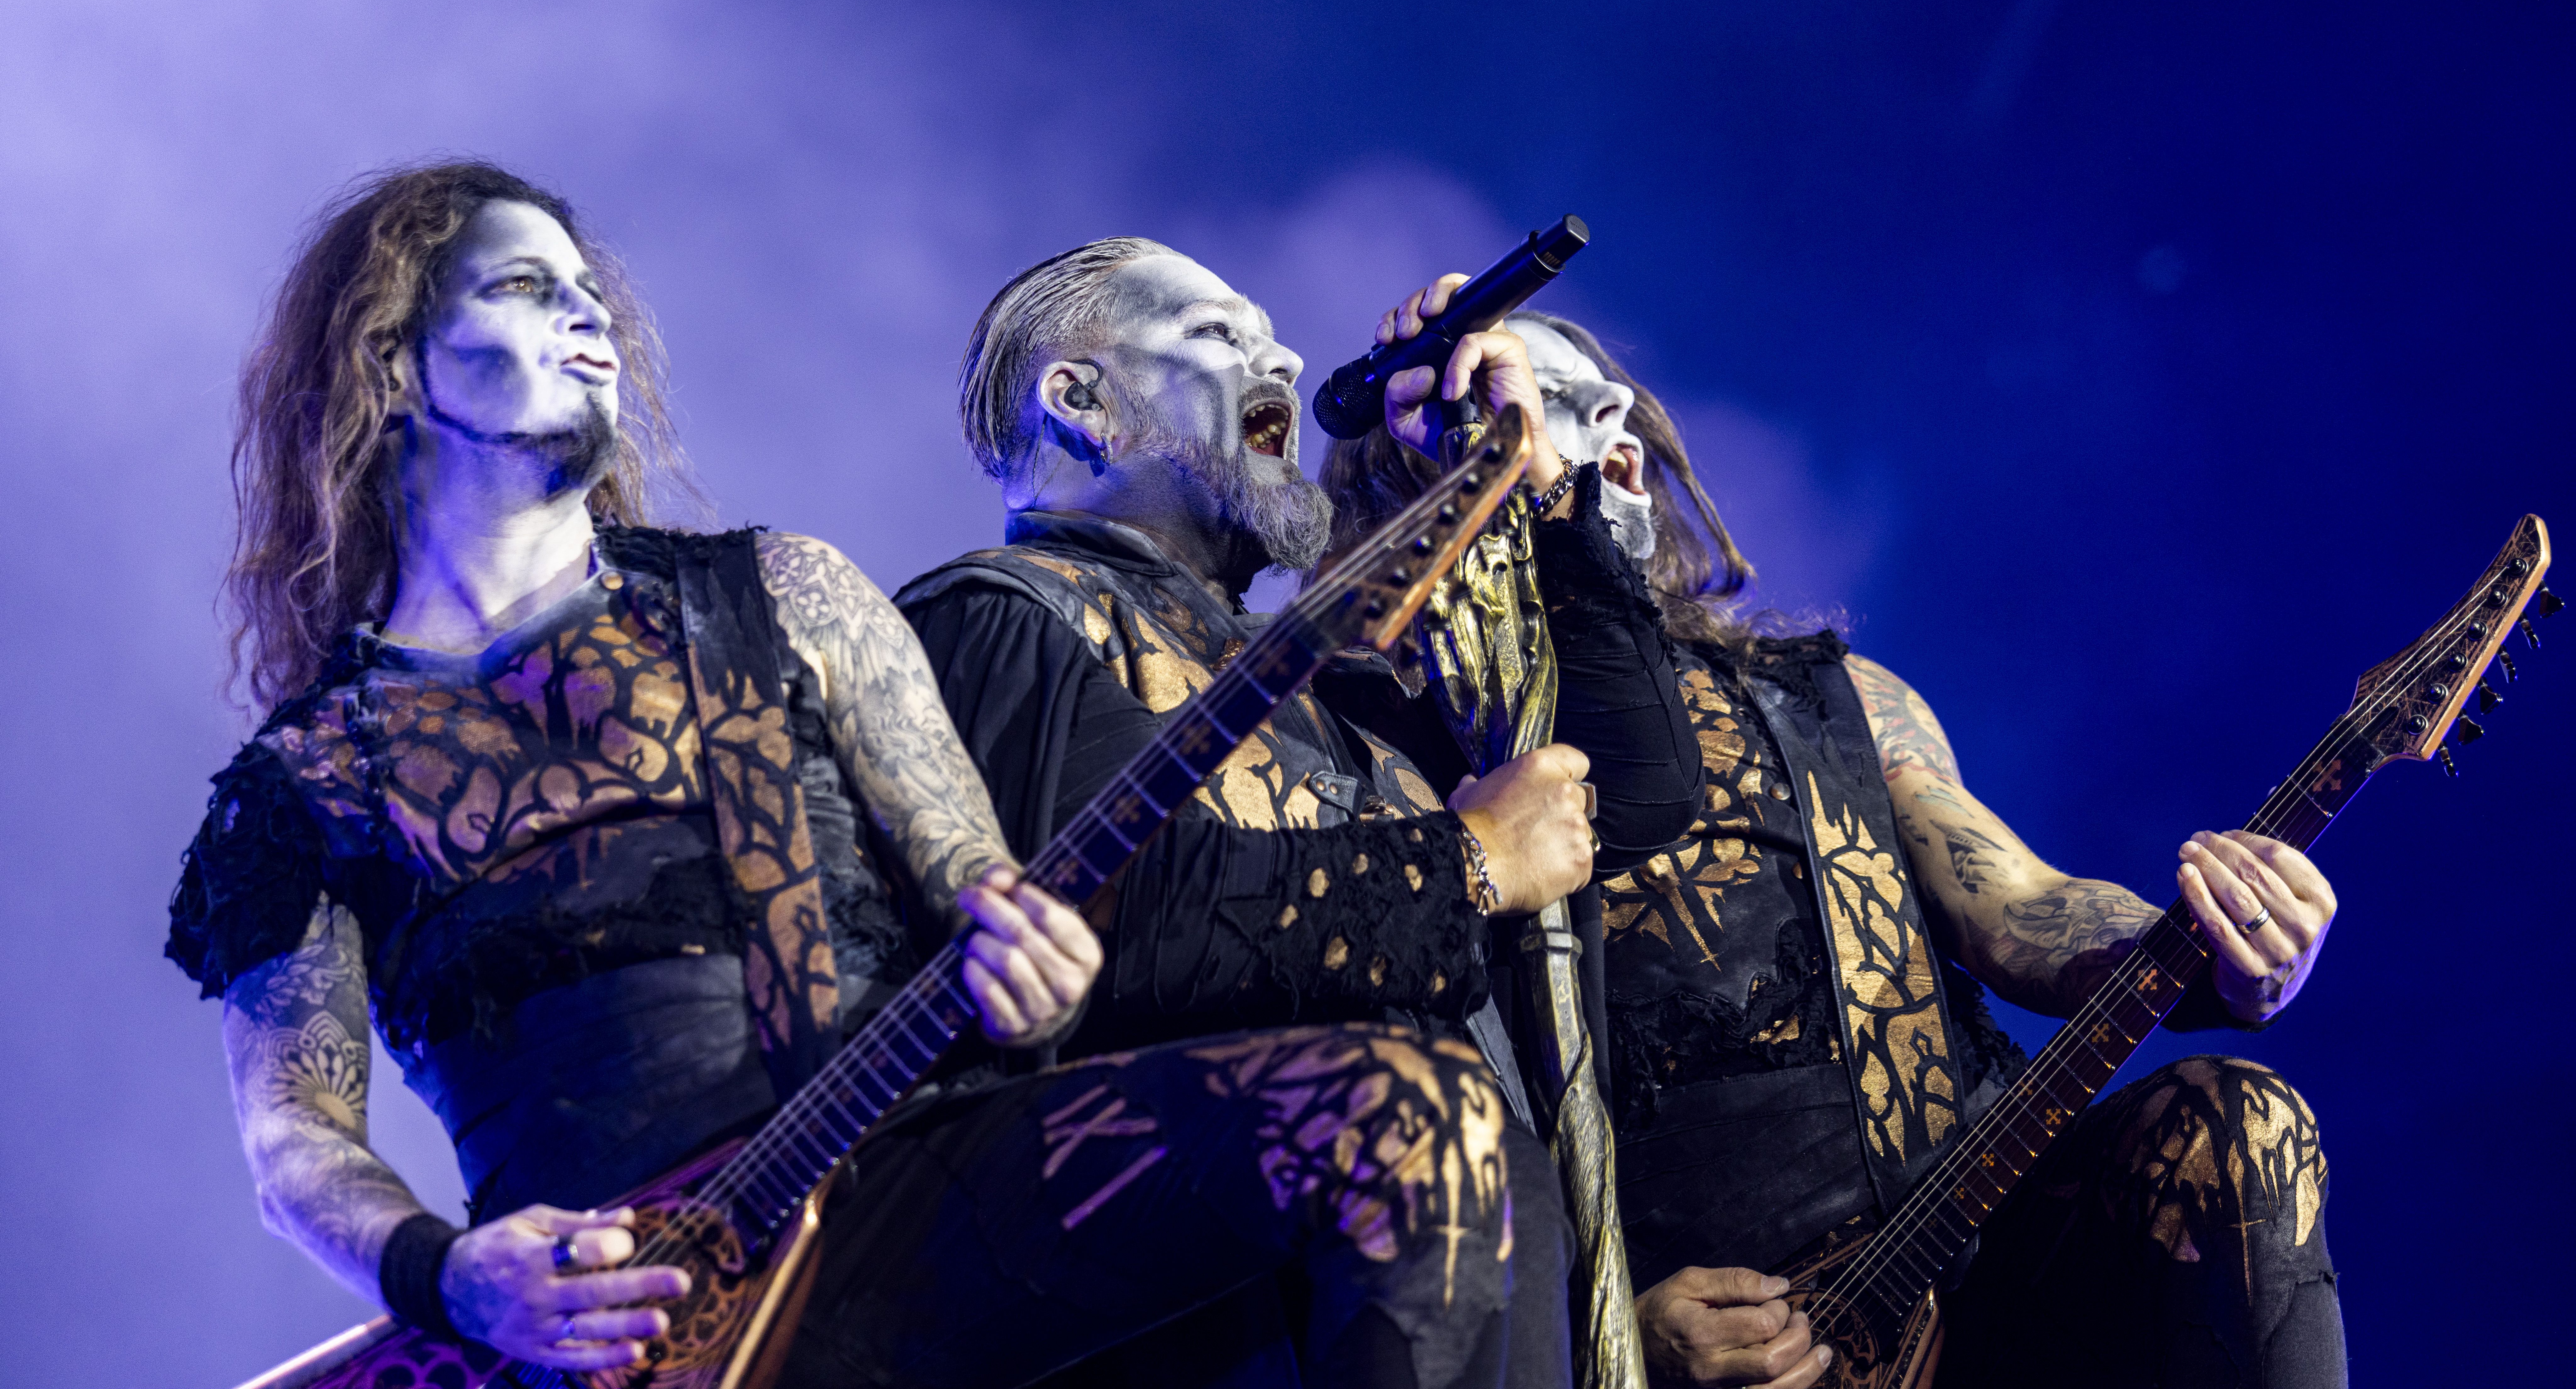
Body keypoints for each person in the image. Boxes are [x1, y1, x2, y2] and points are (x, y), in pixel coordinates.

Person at [167, 163, 1555, 1389]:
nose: (590, 314)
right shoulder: (303, 784)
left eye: (590, 287)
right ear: (392, 359)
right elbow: (296, 1140)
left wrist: (1037, 973)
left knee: (1403, 1120)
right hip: (611, 1323)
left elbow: (986, 894)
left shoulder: (785, 593)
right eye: (530, 288)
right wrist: (446, 1275)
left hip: (908, 1203)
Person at [1320, 293, 2347, 1388]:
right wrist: (1607, 1329)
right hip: (1732, 1339)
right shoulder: (1380, 760)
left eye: (1602, 411)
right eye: (1532, 403)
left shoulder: (1833, 697)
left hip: (1979, 1254)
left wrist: (2218, 946)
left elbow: (2016, 907)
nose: (1610, 435)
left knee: (2238, 1120)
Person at [889, 238, 1704, 1383]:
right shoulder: (1003, 616)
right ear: (1083, 402)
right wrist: (1464, 863)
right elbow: (1113, 924)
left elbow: (1629, 795)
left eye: (1267, 330)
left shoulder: (1336, 704)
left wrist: (1534, 487)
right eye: (1219, 334)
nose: (1280, 352)